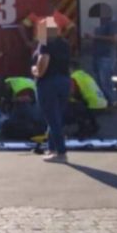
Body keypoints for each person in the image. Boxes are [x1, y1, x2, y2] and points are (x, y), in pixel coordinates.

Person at [33, 17, 72, 161]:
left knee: (51, 118)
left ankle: (61, 153)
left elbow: (43, 64)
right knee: (57, 117)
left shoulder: (45, 43)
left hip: (48, 83)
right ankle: (51, 148)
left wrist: (35, 71)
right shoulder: (64, 44)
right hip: (64, 81)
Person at [84, 5, 117, 106]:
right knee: (98, 80)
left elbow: (114, 39)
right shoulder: (101, 24)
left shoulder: (113, 23)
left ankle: (111, 102)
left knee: (105, 81)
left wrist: (94, 37)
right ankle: (103, 101)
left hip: (106, 56)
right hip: (97, 55)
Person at [67, 67, 107, 138]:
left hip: (94, 106)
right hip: (102, 103)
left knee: (74, 107)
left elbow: (71, 92)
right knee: (84, 102)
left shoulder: (73, 77)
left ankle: (83, 130)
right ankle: (94, 125)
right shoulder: (84, 75)